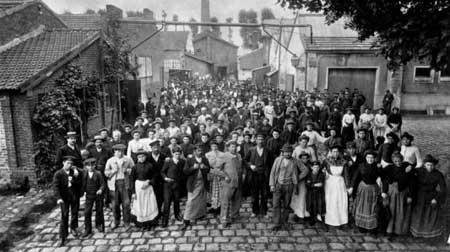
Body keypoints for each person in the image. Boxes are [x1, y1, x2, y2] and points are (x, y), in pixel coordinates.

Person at [410, 154, 447, 239]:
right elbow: (410, 175)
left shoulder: (438, 174)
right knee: (419, 214)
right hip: (420, 196)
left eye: (432, 165)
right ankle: (417, 234)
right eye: (428, 165)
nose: (430, 167)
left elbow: (443, 189)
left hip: (431, 196)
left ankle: (429, 234)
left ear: (434, 165)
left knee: (429, 215)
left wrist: (436, 198)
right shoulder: (419, 171)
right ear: (424, 165)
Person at [53, 156, 83, 246]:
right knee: (64, 216)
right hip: (64, 198)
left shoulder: (73, 172)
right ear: (63, 163)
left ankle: (73, 229)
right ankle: (62, 236)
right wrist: (58, 198)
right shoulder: (58, 173)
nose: (69, 165)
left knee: (74, 213)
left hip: (74, 196)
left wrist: (74, 178)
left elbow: (79, 183)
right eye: (67, 163)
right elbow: (55, 187)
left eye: (71, 164)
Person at [381, 153, 413, 237]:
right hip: (392, 192)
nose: (398, 163)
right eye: (396, 161)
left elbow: (411, 182)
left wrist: (410, 195)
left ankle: (398, 231)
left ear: (402, 160)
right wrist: (384, 191)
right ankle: (389, 231)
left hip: (403, 193)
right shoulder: (389, 168)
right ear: (393, 161)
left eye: (399, 161)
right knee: (391, 212)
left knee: (400, 212)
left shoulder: (406, 166)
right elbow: (385, 179)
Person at [104, 144, 135, 229]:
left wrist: (128, 170)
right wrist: (113, 171)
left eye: (121, 151)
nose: (119, 153)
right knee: (115, 204)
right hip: (114, 184)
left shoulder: (128, 159)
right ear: (114, 152)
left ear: (123, 151)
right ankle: (116, 221)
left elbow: (134, 169)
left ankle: (126, 222)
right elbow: (106, 173)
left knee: (126, 204)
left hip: (125, 184)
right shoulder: (110, 160)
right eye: (117, 151)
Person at [350, 150, 381, 234]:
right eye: (368, 157)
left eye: (372, 158)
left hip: (373, 189)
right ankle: (361, 226)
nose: (370, 159)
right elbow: (355, 177)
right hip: (363, 188)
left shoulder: (377, 167)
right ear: (365, 158)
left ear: (374, 158)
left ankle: (371, 227)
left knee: (371, 206)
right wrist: (352, 187)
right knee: (362, 205)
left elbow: (381, 178)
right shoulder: (361, 166)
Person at [269, 144, 299, 231]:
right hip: (278, 184)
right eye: (286, 152)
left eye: (289, 152)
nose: (287, 154)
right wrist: (272, 185)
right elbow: (273, 172)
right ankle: (276, 223)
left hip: (289, 185)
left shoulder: (295, 161)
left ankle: (285, 222)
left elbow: (304, 170)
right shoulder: (278, 160)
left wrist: (297, 180)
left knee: (286, 205)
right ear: (283, 152)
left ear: (292, 153)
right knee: (275, 204)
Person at [182, 144, 210, 230]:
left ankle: (200, 215)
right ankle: (186, 219)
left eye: (201, 150)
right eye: (198, 151)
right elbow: (185, 171)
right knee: (191, 201)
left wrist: (204, 167)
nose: (200, 152)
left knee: (201, 199)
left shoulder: (204, 159)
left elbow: (208, 169)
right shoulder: (189, 160)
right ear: (194, 152)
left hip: (203, 182)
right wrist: (193, 168)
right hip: (193, 184)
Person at [216, 141, 243, 228]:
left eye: (235, 146)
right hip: (228, 183)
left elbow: (241, 167)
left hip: (238, 182)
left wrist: (243, 175)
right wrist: (225, 176)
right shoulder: (224, 156)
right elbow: (216, 169)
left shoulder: (239, 155)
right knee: (225, 201)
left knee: (237, 200)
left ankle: (234, 215)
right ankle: (224, 219)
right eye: (232, 147)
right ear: (228, 147)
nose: (234, 148)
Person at [130, 150, 158, 231]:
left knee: (149, 203)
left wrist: (149, 181)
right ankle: (142, 223)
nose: (141, 158)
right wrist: (133, 192)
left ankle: (150, 222)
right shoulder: (135, 167)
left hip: (148, 187)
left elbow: (155, 176)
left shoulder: (150, 165)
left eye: (143, 157)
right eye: (139, 157)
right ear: (137, 158)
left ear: (145, 157)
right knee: (140, 204)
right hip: (138, 187)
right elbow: (132, 179)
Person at [246, 134, 272, 218]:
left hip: (264, 175)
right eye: (258, 139)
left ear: (264, 141)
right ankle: (255, 211)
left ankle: (264, 211)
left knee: (264, 195)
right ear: (256, 140)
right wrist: (250, 166)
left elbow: (271, 163)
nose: (260, 141)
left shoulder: (268, 150)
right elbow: (245, 160)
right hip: (254, 175)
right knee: (254, 194)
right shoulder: (251, 150)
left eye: (262, 139)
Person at [323, 145, 349, 228]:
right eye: (334, 151)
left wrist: (348, 186)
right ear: (331, 152)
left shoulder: (343, 162)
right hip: (330, 183)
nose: (335, 153)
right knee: (331, 201)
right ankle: (330, 220)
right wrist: (325, 174)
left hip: (340, 183)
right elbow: (322, 170)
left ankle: (341, 220)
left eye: (337, 152)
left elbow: (346, 174)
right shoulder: (326, 161)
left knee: (340, 201)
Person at [161, 146, 185, 227]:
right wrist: (166, 178)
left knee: (176, 201)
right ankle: (165, 220)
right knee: (167, 202)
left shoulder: (182, 162)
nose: (177, 155)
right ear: (172, 154)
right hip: (168, 185)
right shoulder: (168, 161)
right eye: (175, 154)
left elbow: (183, 172)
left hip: (177, 185)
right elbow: (162, 172)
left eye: (178, 154)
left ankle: (177, 215)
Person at [81, 158, 105, 237]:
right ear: (86, 167)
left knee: (99, 210)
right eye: (88, 166)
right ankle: (88, 229)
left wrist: (100, 190)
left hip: (97, 194)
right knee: (87, 212)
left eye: (92, 166)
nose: (90, 167)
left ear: (94, 166)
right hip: (89, 195)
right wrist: (83, 192)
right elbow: (82, 183)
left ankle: (98, 224)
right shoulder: (84, 173)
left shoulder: (98, 173)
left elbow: (103, 184)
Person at [205, 141, 225, 216]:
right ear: (210, 146)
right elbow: (206, 165)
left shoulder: (222, 154)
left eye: (215, 145)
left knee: (219, 190)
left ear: (218, 146)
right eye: (212, 146)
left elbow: (224, 164)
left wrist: (221, 171)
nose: (214, 147)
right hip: (211, 173)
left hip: (219, 174)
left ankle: (219, 207)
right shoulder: (207, 155)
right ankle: (213, 206)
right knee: (211, 191)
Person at [147, 139, 166, 220]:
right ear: (151, 148)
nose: (156, 149)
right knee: (150, 197)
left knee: (160, 197)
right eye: (154, 147)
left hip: (161, 181)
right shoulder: (147, 157)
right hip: (151, 181)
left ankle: (158, 212)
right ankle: (151, 212)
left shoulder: (164, 156)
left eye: (158, 147)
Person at [290, 152, 310, 222]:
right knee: (298, 199)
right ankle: (298, 214)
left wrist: (298, 178)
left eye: (306, 158)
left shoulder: (309, 165)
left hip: (306, 183)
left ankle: (304, 214)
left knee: (304, 199)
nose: (304, 160)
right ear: (300, 159)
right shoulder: (298, 165)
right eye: (303, 158)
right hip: (299, 184)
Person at [305, 161, 326, 229]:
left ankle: (319, 217)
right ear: (312, 168)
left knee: (319, 204)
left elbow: (321, 184)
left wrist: (313, 184)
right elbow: (308, 184)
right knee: (311, 205)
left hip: (319, 193)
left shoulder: (321, 174)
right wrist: (314, 185)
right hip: (310, 193)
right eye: (314, 167)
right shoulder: (309, 174)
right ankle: (312, 218)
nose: (316, 169)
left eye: (317, 167)